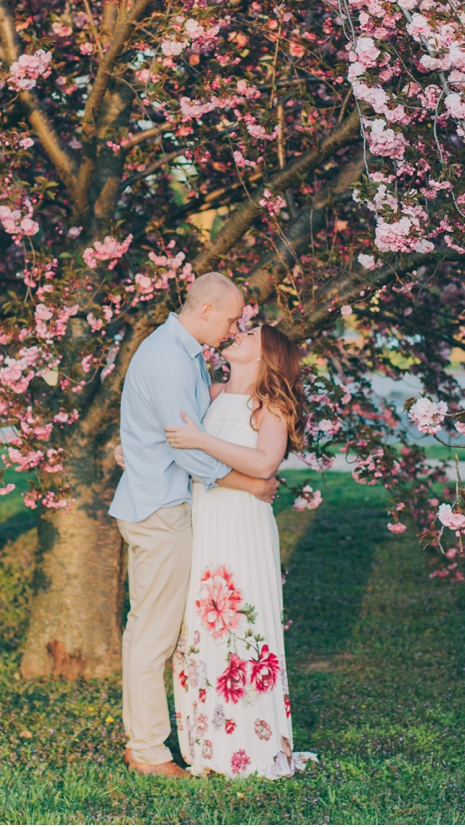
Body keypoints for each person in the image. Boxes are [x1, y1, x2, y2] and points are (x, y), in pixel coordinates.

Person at [109, 272, 280, 779]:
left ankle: (159, 740)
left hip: (159, 503)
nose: (233, 328)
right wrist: (247, 485)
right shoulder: (167, 358)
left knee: (151, 630)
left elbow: (178, 436)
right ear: (207, 311)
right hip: (159, 512)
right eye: (230, 319)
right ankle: (148, 751)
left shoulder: (182, 355)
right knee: (152, 636)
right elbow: (189, 448)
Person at [164, 322, 312, 779]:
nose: (239, 334)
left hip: (242, 524)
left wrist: (203, 442)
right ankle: (206, 744)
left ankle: (251, 744)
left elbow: (266, 463)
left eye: (250, 334)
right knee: (200, 628)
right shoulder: (210, 393)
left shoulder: (270, 406)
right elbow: (183, 457)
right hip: (205, 519)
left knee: (242, 625)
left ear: (266, 355)